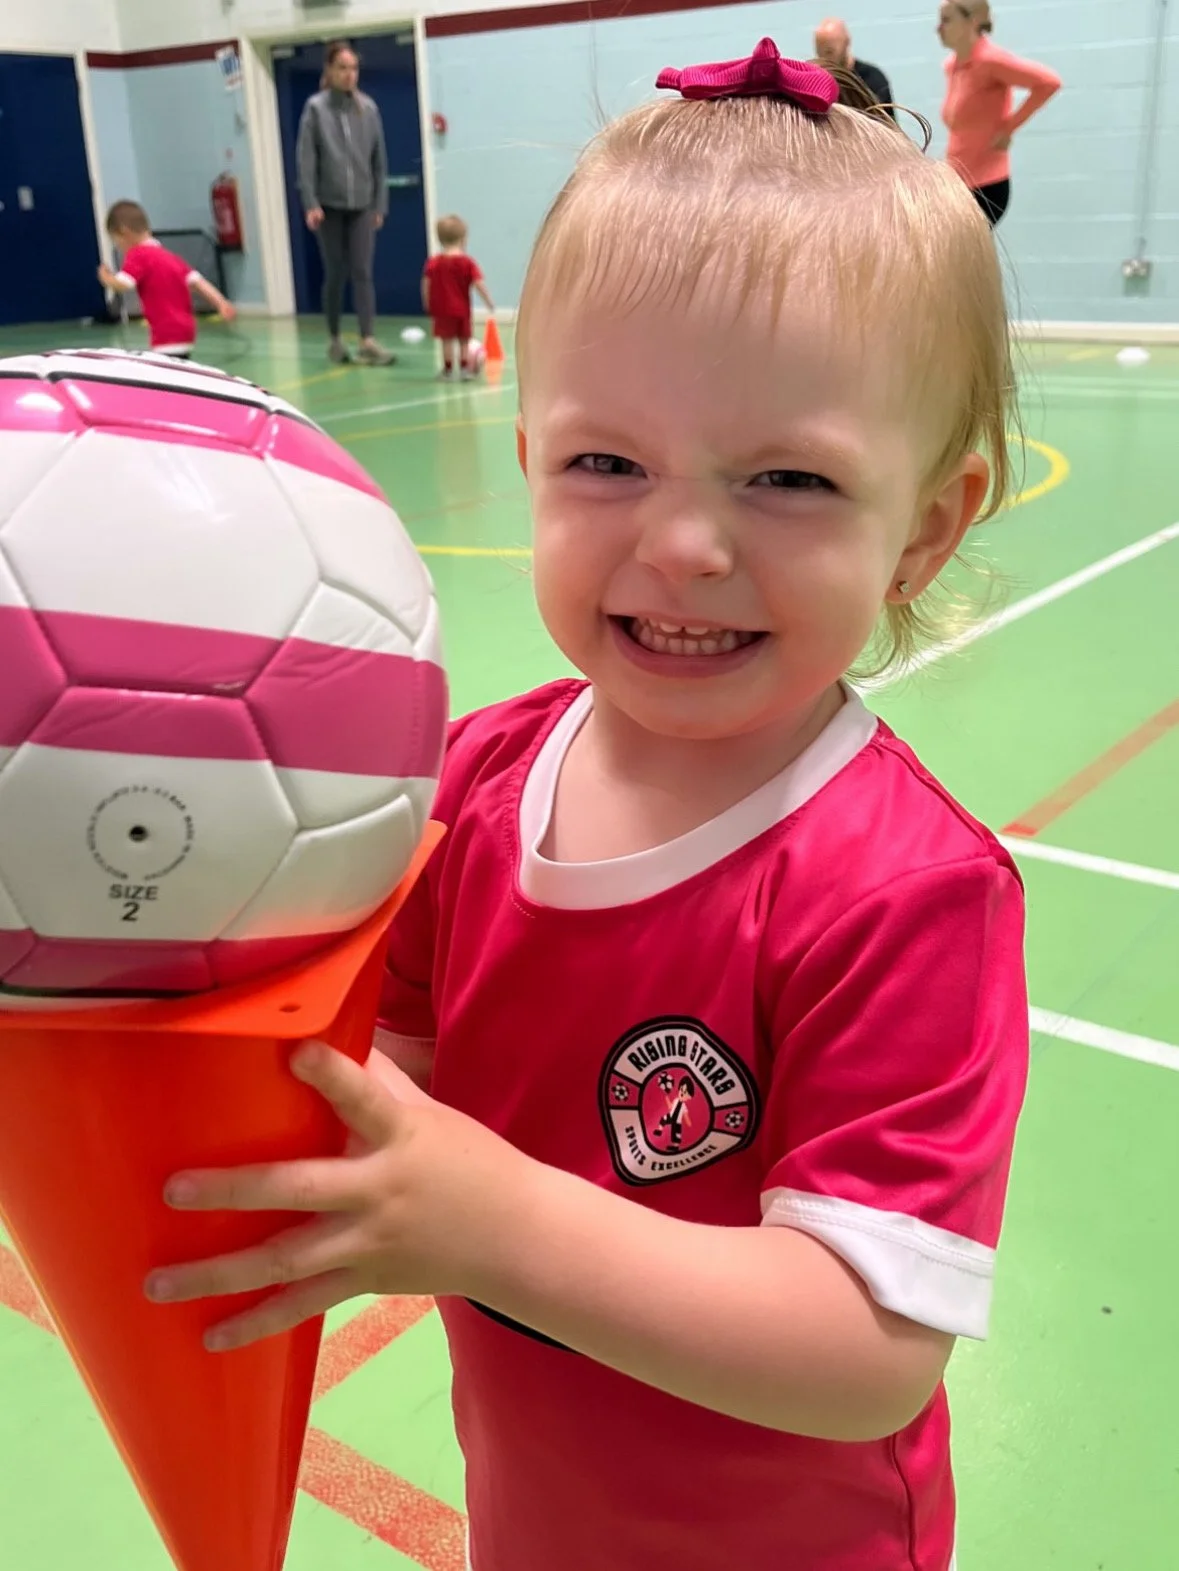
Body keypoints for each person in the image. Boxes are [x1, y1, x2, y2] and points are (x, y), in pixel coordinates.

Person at [145, 39, 1029, 1571]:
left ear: (922, 528)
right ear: (527, 457)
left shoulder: (900, 886)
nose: (683, 541)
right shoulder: (474, 782)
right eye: (606, 461)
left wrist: (485, 1219)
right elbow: (379, 1100)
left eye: (788, 481)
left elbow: (862, 1347)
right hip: (538, 1516)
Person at [296, 40, 396, 365]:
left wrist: (379, 204)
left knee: (363, 271)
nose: (349, 74)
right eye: (342, 68)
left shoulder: (368, 108)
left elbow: (379, 161)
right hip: (329, 205)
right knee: (336, 272)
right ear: (329, 70)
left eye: (353, 68)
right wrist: (310, 201)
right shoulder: (316, 108)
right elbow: (306, 160)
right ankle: (335, 338)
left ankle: (368, 339)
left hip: (363, 206)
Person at [938, 1, 1061, 225]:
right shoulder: (952, 66)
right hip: (957, 181)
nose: (939, 28)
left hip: (986, 184)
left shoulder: (990, 60)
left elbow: (1049, 82)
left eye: (947, 20)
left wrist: (1009, 127)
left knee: (964, 254)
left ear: (971, 21)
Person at [97, 201, 235, 358]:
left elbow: (123, 284)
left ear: (124, 232)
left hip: (165, 333)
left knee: (167, 374)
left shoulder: (138, 255)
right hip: (186, 330)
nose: (119, 247)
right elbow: (199, 283)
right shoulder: (171, 257)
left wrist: (106, 279)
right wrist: (221, 302)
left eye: (117, 241)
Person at [422, 214, 496, 380]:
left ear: (440, 239)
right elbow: (479, 284)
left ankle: (447, 370)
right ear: (463, 239)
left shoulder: (433, 262)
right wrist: (488, 301)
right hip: (461, 309)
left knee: (446, 340)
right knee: (464, 340)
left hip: (441, 310)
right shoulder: (467, 263)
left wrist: (427, 302)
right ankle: (464, 369)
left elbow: (426, 284)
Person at [814, 17, 897, 121]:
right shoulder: (817, 84)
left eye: (829, 52)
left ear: (846, 42)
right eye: (819, 52)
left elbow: (889, 128)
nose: (823, 59)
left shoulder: (872, 80)